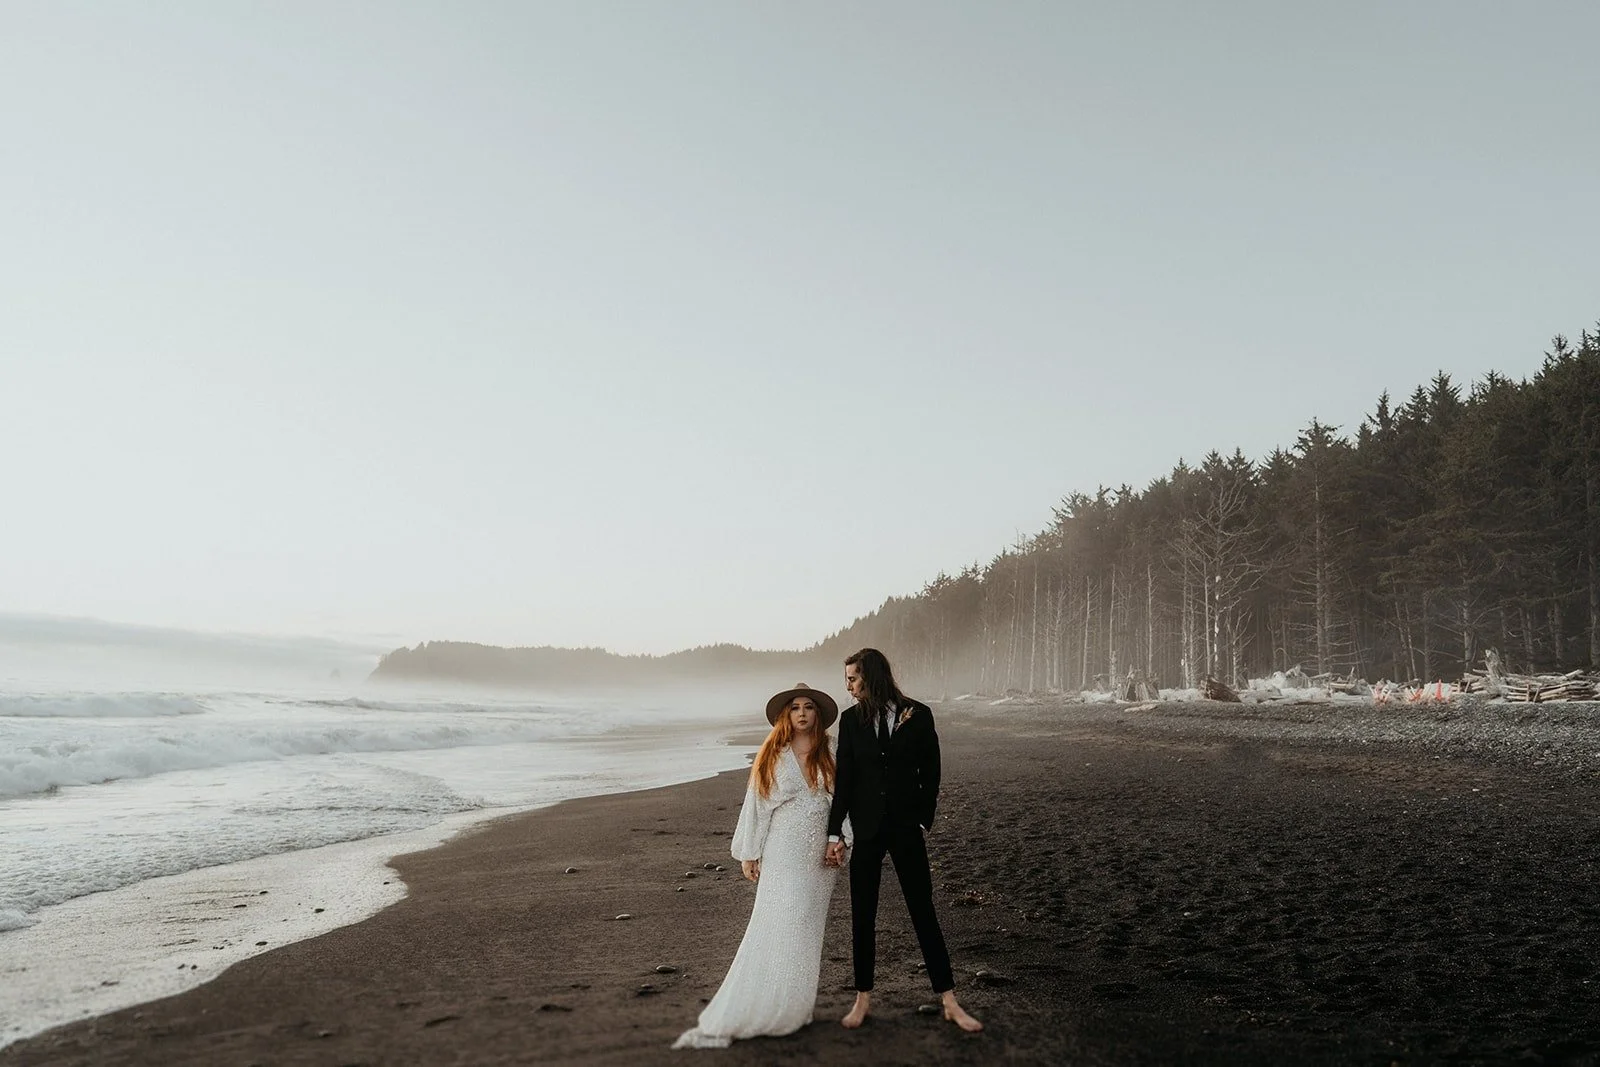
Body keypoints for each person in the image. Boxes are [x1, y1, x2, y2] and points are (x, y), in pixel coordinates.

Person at [672, 683, 847, 1049]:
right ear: (786, 715)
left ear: (817, 714)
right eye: (795, 707)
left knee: (806, 927)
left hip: (821, 855)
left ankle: (795, 1007)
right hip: (783, 849)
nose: (802, 713)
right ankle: (763, 1006)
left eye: (809, 707)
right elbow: (756, 805)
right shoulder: (773, 753)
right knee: (778, 921)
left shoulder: (830, 750)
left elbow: (845, 800)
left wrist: (843, 838)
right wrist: (750, 853)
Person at [824, 648, 982, 1032]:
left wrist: (923, 820)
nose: (848, 685)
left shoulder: (918, 714)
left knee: (922, 910)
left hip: (906, 828)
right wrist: (835, 831)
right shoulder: (849, 721)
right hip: (866, 829)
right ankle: (862, 998)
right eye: (847, 678)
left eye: (853, 678)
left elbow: (932, 769)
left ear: (872, 676)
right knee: (862, 915)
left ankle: (948, 999)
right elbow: (845, 780)